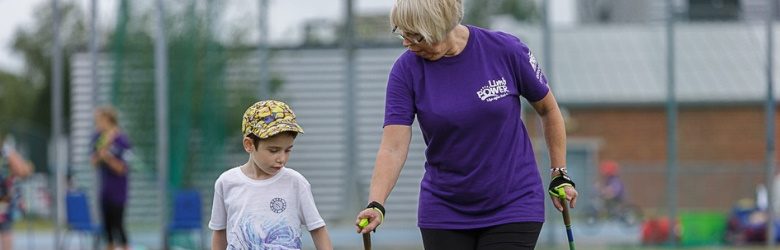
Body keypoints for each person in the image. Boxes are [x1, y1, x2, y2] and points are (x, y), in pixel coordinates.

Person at [353, 0, 578, 249]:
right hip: (444, 209)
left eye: (415, 36)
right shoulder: (406, 71)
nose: (407, 43)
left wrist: (559, 173)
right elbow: (393, 147)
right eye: (402, 34)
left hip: (514, 203)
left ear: (440, 26)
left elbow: (548, 110)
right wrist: (376, 202)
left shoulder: (506, 50)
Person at [209, 100, 332, 250]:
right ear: (249, 144)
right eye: (273, 150)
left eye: (288, 150)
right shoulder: (226, 182)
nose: (282, 158)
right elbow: (220, 232)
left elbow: (318, 229)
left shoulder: (296, 183)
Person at [90, 106, 132, 250]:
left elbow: (122, 168)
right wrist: (103, 147)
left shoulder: (122, 140)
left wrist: (107, 157)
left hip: (119, 192)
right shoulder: (98, 138)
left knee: (119, 227)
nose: (97, 124)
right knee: (107, 231)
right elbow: (93, 161)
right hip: (105, 192)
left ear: (108, 120)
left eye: (99, 121)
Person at [0, 135, 33, 250]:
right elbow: (22, 171)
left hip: (3, 197)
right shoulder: (5, 150)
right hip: (3, 198)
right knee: (5, 230)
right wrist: (28, 168)